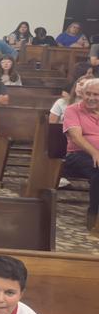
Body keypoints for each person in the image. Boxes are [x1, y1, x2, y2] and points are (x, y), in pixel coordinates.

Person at [62, 78, 99, 227]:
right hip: (78, 155)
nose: (91, 98)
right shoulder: (72, 110)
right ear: (82, 94)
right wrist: (95, 153)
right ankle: (95, 218)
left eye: (96, 94)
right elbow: (76, 137)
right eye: (87, 94)